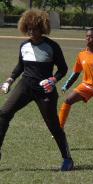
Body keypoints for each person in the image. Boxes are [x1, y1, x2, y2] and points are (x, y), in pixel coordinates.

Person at [0, 10, 73, 171]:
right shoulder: (24, 45)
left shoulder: (52, 46)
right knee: (4, 113)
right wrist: (9, 80)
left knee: (53, 125)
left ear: (42, 28)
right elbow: (20, 66)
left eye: (35, 28)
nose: (31, 32)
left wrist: (53, 80)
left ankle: (67, 158)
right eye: (29, 28)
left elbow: (63, 68)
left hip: (44, 90)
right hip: (25, 85)